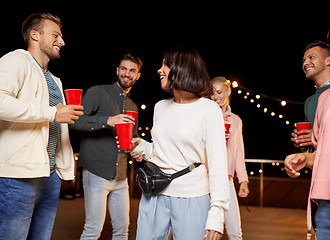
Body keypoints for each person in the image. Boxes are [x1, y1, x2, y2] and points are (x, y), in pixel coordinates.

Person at [125, 49, 230, 240]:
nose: (159, 70)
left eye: (165, 65)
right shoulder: (160, 107)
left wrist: (217, 212)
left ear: (182, 69)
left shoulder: (209, 109)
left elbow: (218, 164)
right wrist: (143, 147)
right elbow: (160, 152)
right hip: (154, 194)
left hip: (192, 196)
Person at [0, 13, 83, 240]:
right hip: (20, 175)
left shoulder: (55, 80)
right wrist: (52, 112)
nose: (62, 42)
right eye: (56, 35)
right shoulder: (16, 60)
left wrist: (63, 168)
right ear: (35, 35)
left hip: (49, 174)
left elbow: (55, 126)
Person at [70, 53, 142, 240]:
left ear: (138, 75)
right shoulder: (98, 92)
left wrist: (137, 150)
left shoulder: (133, 106)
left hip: (121, 177)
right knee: (93, 228)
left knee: (122, 230)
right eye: (124, 69)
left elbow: (131, 139)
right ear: (117, 70)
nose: (127, 73)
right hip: (96, 172)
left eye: (132, 70)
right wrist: (108, 120)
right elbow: (75, 122)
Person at [284, 88, 330, 240]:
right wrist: (305, 158)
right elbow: (323, 153)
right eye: (303, 61)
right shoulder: (323, 99)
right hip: (326, 204)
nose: (305, 63)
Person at [210, 76, 249, 240]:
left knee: (234, 231)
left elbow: (239, 151)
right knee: (207, 229)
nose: (215, 97)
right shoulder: (207, 116)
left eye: (219, 92)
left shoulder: (236, 121)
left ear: (228, 90)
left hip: (227, 180)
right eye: (212, 94)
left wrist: (243, 180)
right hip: (207, 178)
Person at [291, 40, 330, 148]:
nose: (305, 63)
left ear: (328, 61)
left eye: (311, 57)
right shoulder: (309, 102)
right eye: (303, 60)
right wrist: (303, 141)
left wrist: (316, 135)